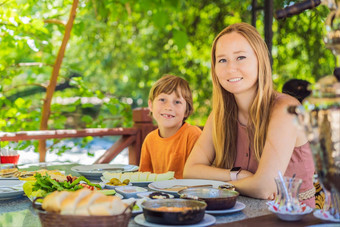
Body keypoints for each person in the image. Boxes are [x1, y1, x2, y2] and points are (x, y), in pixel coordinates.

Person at [183, 23, 315, 207]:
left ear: (260, 60)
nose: (230, 68)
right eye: (222, 60)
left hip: (292, 219)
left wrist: (220, 187)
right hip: (241, 215)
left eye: (241, 57)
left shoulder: (286, 109)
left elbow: (264, 188)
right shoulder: (220, 114)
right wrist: (236, 175)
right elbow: (190, 171)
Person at [139, 74, 202, 179]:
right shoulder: (149, 140)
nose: (169, 107)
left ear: (186, 111)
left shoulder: (193, 135)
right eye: (162, 100)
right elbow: (144, 179)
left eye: (177, 102)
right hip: (157, 195)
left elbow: (201, 177)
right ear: (150, 105)